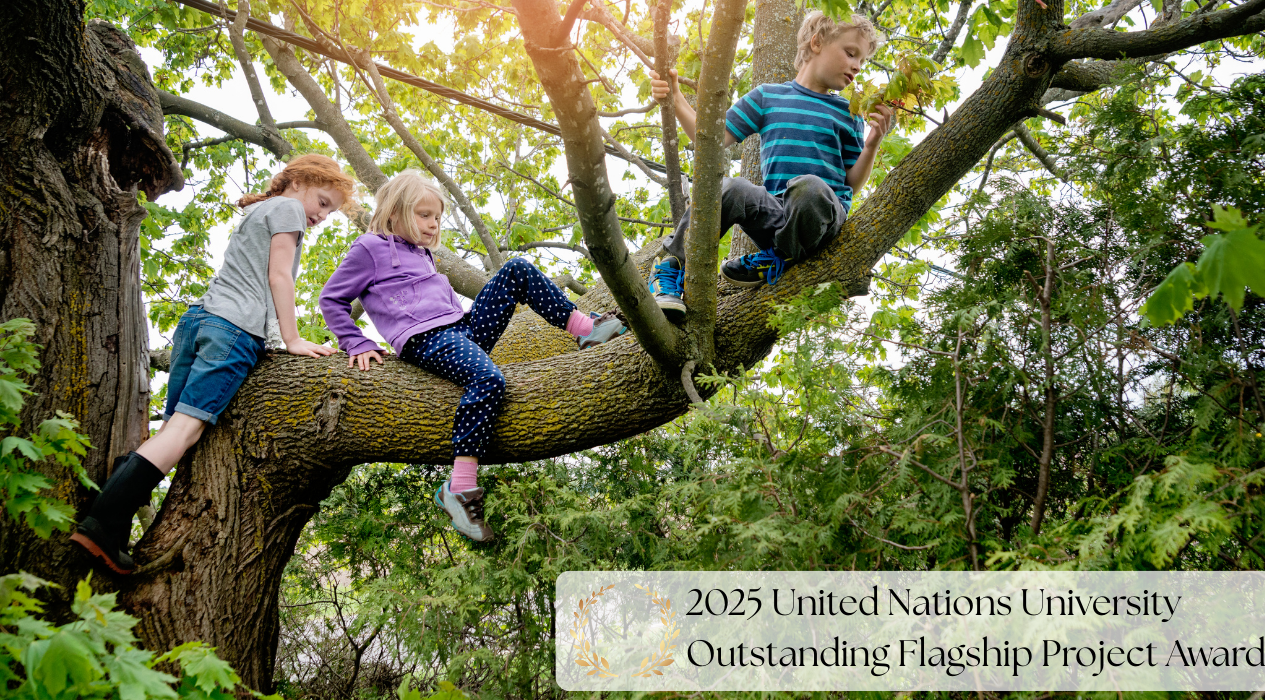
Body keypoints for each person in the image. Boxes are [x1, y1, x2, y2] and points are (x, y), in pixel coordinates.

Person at [70, 154, 356, 575]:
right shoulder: (289, 209)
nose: (322, 215)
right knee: (185, 431)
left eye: (330, 211)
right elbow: (279, 276)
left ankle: (112, 505)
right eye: (323, 202)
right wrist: (291, 340)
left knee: (172, 430)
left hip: (199, 321)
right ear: (298, 182)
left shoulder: (259, 210)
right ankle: (103, 524)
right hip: (232, 330)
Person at [319, 171, 626, 543]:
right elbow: (331, 299)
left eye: (437, 217)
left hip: (460, 328)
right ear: (395, 212)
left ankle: (584, 329)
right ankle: (459, 488)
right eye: (424, 215)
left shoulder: (422, 253)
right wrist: (356, 342)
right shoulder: (369, 248)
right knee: (489, 379)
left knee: (516, 269)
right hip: (425, 339)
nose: (433, 224)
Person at [647, 10, 895, 321]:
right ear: (817, 43)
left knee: (810, 188)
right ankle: (670, 267)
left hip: (821, 220)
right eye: (851, 53)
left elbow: (852, 183)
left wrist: (872, 144)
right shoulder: (767, 97)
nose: (857, 66)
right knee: (730, 188)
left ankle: (776, 257)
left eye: (862, 60)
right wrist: (676, 98)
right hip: (777, 218)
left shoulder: (849, 113)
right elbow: (709, 138)